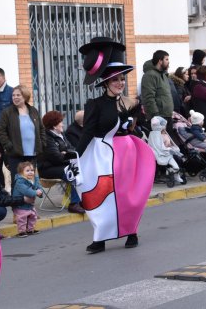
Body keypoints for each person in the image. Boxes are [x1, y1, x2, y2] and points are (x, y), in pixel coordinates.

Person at [75, 37, 155, 254]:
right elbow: (88, 132)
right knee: (102, 195)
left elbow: (139, 121)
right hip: (102, 154)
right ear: (105, 83)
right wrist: (75, 157)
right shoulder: (95, 105)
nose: (120, 83)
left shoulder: (129, 103)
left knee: (127, 194)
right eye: (115, 80)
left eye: (121, 79)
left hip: (126, 154)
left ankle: (131, 232)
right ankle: (100, 238)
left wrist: (137, 122)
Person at [39, 110, 85, 214]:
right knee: (73, 171)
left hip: (61, 165)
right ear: (55, 125)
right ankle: (74, 204)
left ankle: (82, 200)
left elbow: (72, 148)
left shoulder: (61, 135)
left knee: (83, 169)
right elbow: (56, 157)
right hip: (47, 169)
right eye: (60, 122)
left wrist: (65, 153)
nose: (62, 124)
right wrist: (66, 155)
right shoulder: (47, 138)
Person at [0, 85, 46, 177]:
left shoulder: (33, 111)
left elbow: (41, 128)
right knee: (18, 180)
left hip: (32, 153)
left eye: (18, 95)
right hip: (16, 153)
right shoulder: (7, 112)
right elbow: (0, 131)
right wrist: (8, 144)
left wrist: (42, 143)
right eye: (13, 95)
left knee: (30, 180)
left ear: (25, 96)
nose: (15, 97)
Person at [147, 116, 185, 184]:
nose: (165, 127)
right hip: (161, 153)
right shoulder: (155, 135)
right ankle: (171, 173)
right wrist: (170, 149)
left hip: (167, 153)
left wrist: (172, 148)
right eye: (164, 125)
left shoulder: (163, 134)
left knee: (176, 166)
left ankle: (174, 174)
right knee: (176, 160)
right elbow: (158, 146)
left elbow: (169, 144)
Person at [141, 50, 173, 125]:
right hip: (158, 118)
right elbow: (148, 97)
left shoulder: (164, 75)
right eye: (166, 59)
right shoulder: (150, 75)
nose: (168, 62)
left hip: (167, 116)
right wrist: (155, 115)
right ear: (160, 61)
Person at [11, 162, 43, 237]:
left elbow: (38, 186)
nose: (30, 172)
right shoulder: (20, 181)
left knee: (33, 216)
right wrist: (35, 192)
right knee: (22, 218)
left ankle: (30, 229)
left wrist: (40, 191)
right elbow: (26, 191)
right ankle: (21, 231)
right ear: (21, 173)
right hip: (20, 204)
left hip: (29, 204)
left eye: (32, 170)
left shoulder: (33, 179)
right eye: (27, 170)